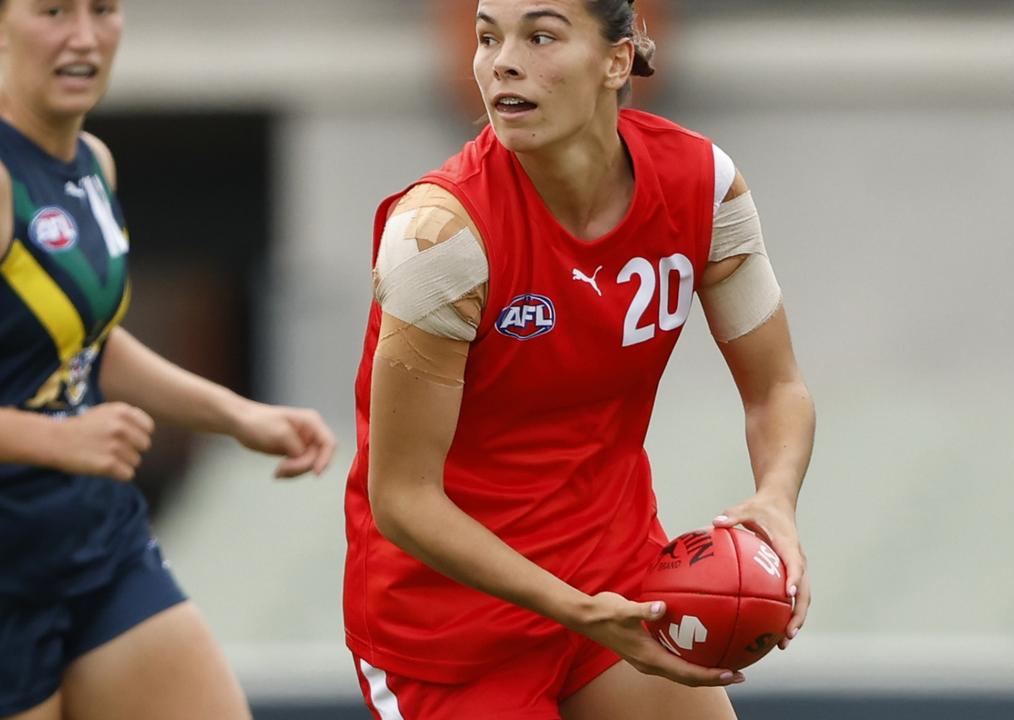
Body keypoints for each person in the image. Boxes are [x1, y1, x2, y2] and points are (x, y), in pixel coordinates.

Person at [344, 0, 815, 717]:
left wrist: (775, 500)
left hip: (616, 589)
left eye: (539, 36)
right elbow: (404, 498)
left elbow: (777, 387)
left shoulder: (703, 187)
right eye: (487, 36)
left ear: (617, 60)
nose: (502, 60)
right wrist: (575, 607)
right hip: (452, 635)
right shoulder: (438, 236)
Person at [0, 1, 338, 718]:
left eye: (103, 9)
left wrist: (238, 416)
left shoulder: (93, 162)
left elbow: (86, 343)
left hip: (95, 545)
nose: (85, 36)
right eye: (53, 11)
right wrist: (58, 438)